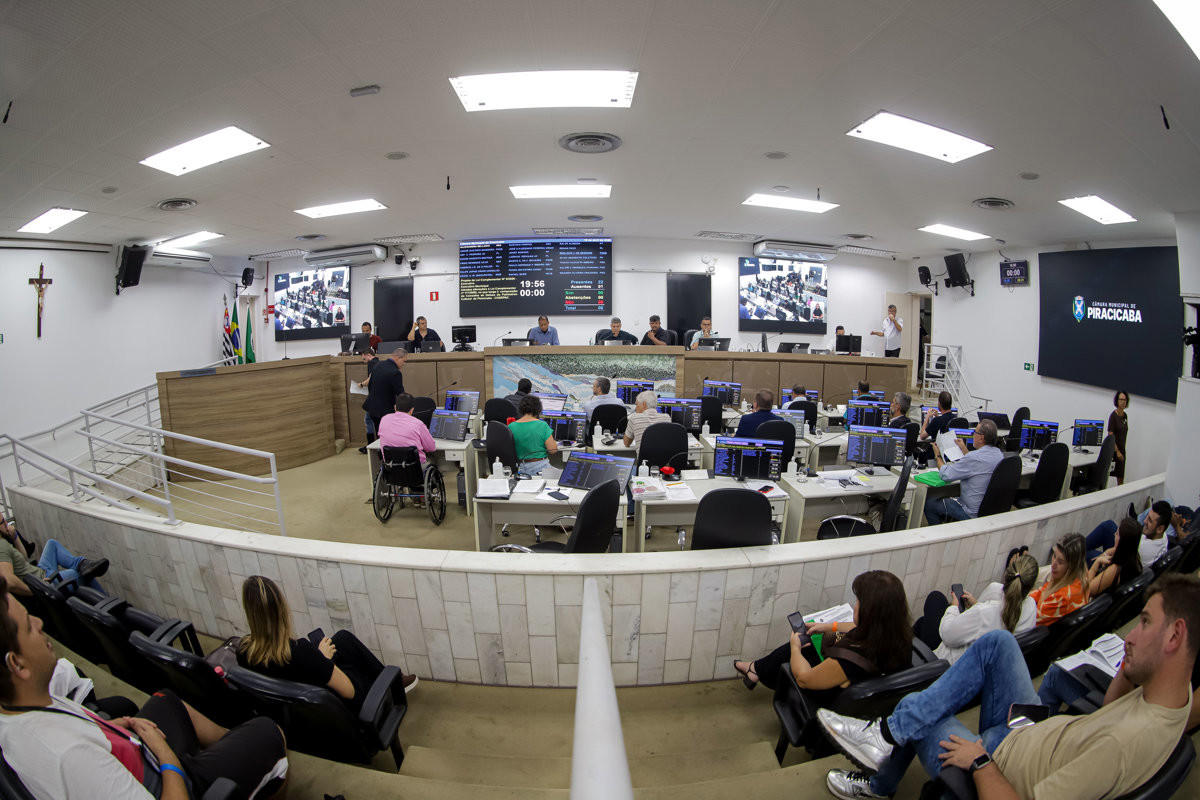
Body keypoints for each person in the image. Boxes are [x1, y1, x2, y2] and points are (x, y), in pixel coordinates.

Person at [820, 573, 1199, 800]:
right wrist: (1130, 668)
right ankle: (885, 737)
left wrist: (981, 762)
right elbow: (1107, 713)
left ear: (1175, 635)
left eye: (1145, 622)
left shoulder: (1121, 747)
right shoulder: (1176, 704)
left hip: (1003, 764)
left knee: (918, 704)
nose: (1131, 635)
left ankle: (880, 772)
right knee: (997, 644)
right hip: (1034, 729)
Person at [0, 583, 290, 800]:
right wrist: (165, 754)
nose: (40, 623)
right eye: (28, 627)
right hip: (175, 783)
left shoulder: (18, 709)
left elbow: (75, 731)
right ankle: (249, 763)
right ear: (17, 664)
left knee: (166, 700)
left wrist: (116, 727)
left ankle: (233, 747)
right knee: (270, 730)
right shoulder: (70, 756)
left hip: (134, 756)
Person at [237, 576, 416, 715]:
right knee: (346, 655)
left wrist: (318, 658)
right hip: (344, 705)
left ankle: (391, 680)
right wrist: (323, 659)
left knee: (341, 639)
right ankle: (390, 684)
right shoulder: (300, 651)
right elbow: (350, 692)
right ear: (281, 610)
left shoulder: (243, 651)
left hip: (297, 700)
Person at [732, 571, 912, 705]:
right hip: (869, 693)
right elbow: (859, 627)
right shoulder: (898, 635)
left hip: (831, 701)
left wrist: (795, 649)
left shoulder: (849, 661)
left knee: (800, 648)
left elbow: (804, 678)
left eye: (859, 602)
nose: (855, 605)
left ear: (870, 612)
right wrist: (828, 626)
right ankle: (756, 669)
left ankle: (757, 670)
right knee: (809, 641)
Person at [914, 553, 1039, 664]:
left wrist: (954, 607)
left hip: (948, 668)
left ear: (1006, 575)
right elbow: (993, 621)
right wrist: (976, 605)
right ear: (1031, 586)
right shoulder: (1032, 608)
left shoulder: (984, 613)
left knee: (935, 598)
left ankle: (909, 661)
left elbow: (947, 634)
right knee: (922, 622)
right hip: (983, 669)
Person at [923, 419, 1004, 524]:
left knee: (929, 504)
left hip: (970, 513)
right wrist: (964, 450)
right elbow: (978, 463)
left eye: (975, 432)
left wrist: (937, 455)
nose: (973, 435)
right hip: (988, 511)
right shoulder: (999, 454)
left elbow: (945, 475)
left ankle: (941, 535)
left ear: (981, 438)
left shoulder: (974, 457)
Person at [1, 518, 109, 595]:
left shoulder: (4, 542)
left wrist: (15, 537)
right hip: (44, 580)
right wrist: (36, 589)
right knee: (76, 574)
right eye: (3, 522)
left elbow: (24, 559)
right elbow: (8, 580)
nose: (7, 523)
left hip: (40, 571)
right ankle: (108, 605)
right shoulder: (1, 546)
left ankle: (83, 564)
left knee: (52, 544)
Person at [1029, 533, 1089, 625]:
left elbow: (1028, 622)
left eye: (1060, 562)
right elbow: (1043, 591)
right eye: (1054, 556)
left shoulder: (1061, 597)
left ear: (1071, 567)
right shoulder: (1082, 576)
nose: (1053, 564)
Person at [1086, 517, 1142, 598]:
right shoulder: (1135, 557)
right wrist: (1108, 551)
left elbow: (1088, 591)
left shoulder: (1114, 570)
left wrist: (1096, 564)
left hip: (1093, 596)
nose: (1114, 534)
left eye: (1117, 533)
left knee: (1082, 555)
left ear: (1122, 542)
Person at [377, 394, 437, 464]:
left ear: (395, 407)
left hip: (391, 467)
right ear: (412, 410)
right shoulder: (418, 424)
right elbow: (431, 448)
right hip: (415, 468)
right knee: (433, 459)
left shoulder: (384, 419)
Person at [362, 348, 406, 443]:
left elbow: (370, 385)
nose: (404, 364)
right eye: (404, 361)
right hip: (385, 410)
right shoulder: (395, 372)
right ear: (399, 358)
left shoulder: (378, 365)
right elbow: (401, 394)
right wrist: (409, 402)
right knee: (388, 436)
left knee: (380, 434)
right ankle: (386, 456)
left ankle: (380, 455)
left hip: (372, 406)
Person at [508, 395, 557, 475]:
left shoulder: (511, 426)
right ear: (538, 409)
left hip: (521, 468)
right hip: (541, 467)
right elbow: (553, 450)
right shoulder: (542, 425)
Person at [1109, 389, 1129, 485]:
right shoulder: (1113, 416)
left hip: (1122, 450)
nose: (1123, 402)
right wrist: (1117, 452)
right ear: (1117, 401)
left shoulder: (1125, 416)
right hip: (1114, 451)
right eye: (1121, 400)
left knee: (1121, 478)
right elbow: (1110, 435)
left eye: (1124, 400)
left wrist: (1121, 452)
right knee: (1107, 475)